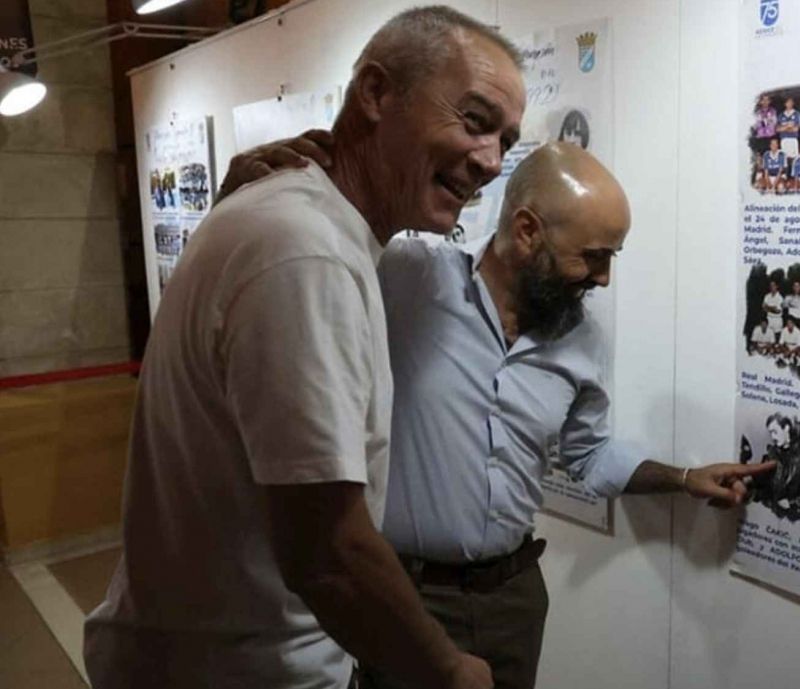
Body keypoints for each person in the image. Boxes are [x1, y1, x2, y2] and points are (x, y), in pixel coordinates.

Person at [84, 8, 527, 689]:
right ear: (376, 94)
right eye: (474, 120)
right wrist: (447, 668)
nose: (493, 160)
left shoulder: (298, 223)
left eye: (505, 138)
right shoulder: (306, 250)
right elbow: (326, 551)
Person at [229, 141, 775, 689]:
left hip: (513, 600)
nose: (604, 277)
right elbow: (297, 260)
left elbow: (589, 454)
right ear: (527, 231)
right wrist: (245, 194)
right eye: (593, 256)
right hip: (403, 596)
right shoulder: (406, 277)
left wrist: (683, 479)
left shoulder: (581, 338)